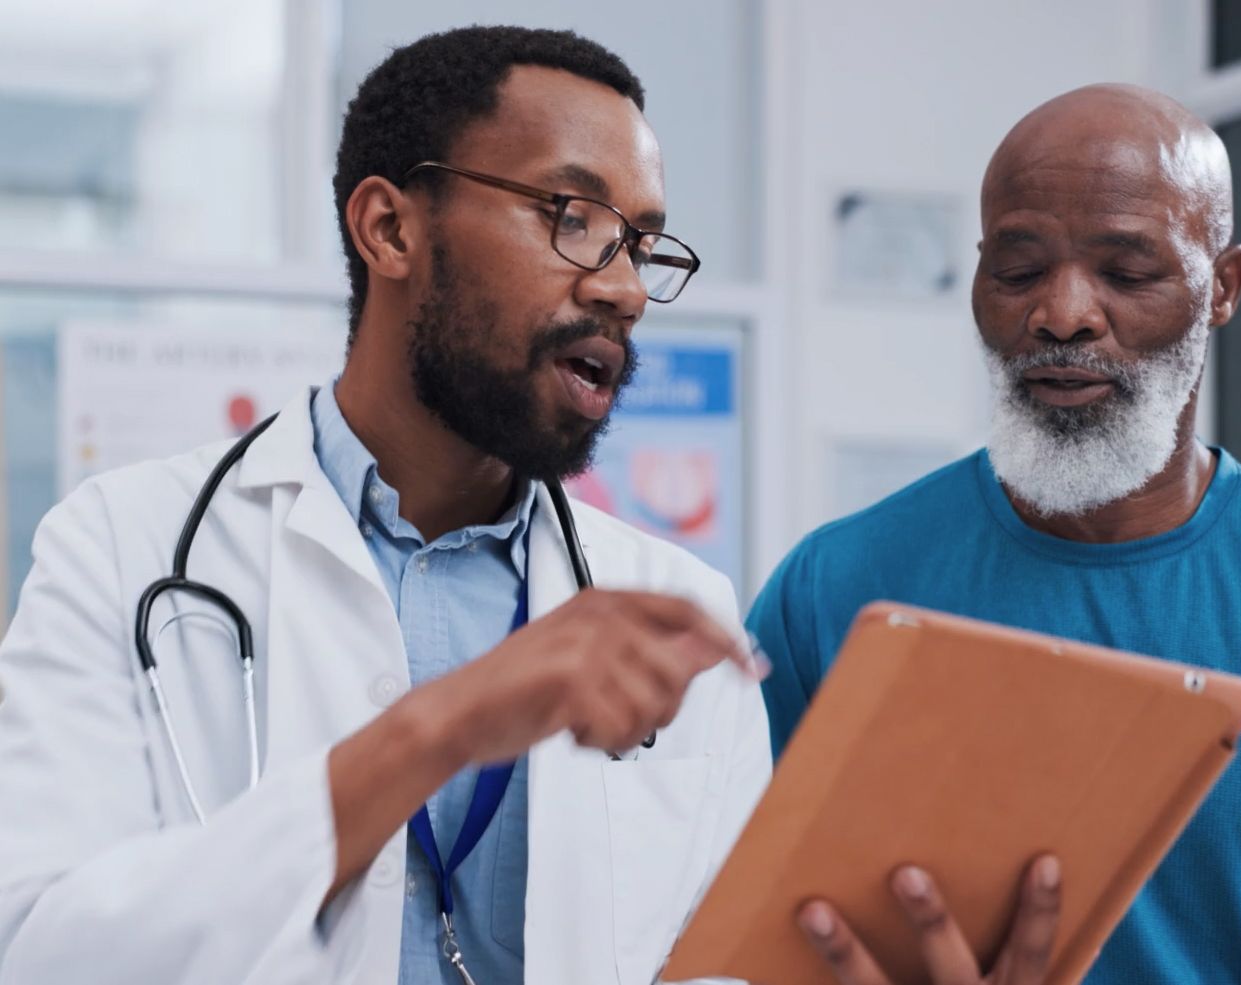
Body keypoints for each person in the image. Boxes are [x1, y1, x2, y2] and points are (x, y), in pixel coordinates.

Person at [0, 27, 769, 985]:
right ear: (391, 229)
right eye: (573, 215)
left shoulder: (679, 610)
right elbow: (42, 955)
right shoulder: (120, 546)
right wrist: (436, 728)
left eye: (643, 243)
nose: (623, 289)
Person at [749, 84, 1241, 984]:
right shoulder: (833, 590)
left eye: (1127, 273)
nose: (1063, 313)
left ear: (1224, 288)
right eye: (1017, 270)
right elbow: (730, 941)